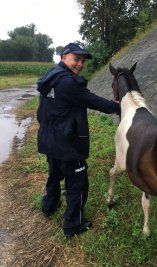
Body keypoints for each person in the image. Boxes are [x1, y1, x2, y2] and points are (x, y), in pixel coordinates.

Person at [36, 43, 120, 238]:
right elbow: (93, 101)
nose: (80, 64)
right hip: (67, 144)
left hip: (49, 140)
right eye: (77, 59)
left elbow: (41, 112)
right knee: (78, 183)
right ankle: (73, 224)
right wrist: (117, 105)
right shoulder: (68, 82)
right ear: (64, 56)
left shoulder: (51, 77)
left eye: (83, 61)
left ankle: (49, 206)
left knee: (54, 175)